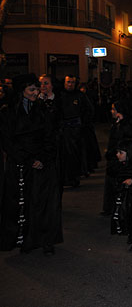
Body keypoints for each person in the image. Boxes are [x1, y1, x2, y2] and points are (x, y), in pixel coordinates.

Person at [0, 74, 62, 255]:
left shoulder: (43, 109)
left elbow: (50, 136)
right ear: (22, 91)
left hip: (41, 163)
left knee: (43, 204)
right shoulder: (8, 112)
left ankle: (44, 240)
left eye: (37, 89)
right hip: (20, 164)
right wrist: (27, 160)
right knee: (20, 204)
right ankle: (22, 239)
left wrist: (42, 159)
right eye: (32, 89)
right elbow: (8, 141)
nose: (36, 92)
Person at [58, 75, 97, 186]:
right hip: (63, 131)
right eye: (68, 82)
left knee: (76, 154)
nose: (70, 84)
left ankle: (75, 176)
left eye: (72, 82)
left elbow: (89, 110)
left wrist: (82, 124)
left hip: (77, 131)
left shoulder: (80, 96)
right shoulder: (60, 95)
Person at [102, 101, 132, 216]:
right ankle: (110, 207)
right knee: (111, 183)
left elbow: (128, 138)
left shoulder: (126, 124)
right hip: (114, 157)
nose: (111, 111)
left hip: (121, 158)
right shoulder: (116, 123)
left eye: (113, 109)